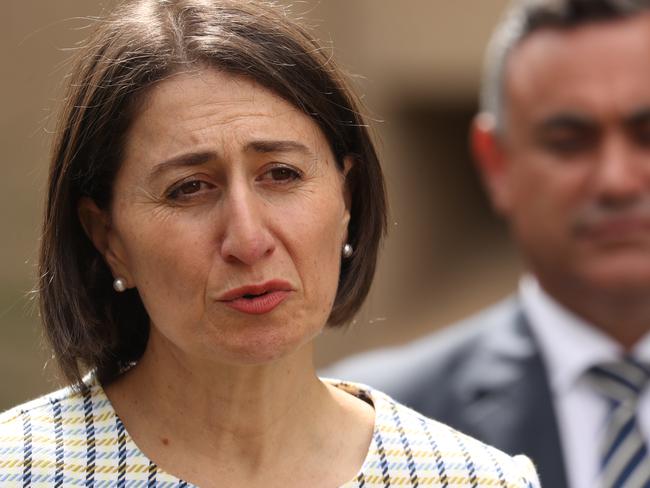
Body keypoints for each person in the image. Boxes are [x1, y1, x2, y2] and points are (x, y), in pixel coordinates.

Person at [0, 1, 540, 487]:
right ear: (108, 238)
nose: (249, 239)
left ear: (346, 201)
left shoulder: (473, 479)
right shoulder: (19, 469)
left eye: (280, 174)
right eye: (189, 188)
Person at [325, 0, 650, 487]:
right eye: (569, 140)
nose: (616, 180)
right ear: (495, 163)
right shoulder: (371, 424)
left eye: (647, 135)